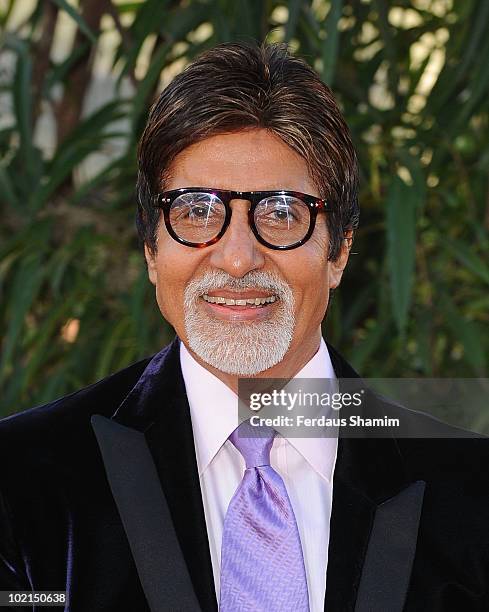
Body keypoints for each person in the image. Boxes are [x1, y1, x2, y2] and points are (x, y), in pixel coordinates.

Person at [0, 42, 488, 612]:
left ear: (339, 252)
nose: (236, 258)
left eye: (282, 214)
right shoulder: (21, 481)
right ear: (151, 248)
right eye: (196, 211)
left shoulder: (471, 488)